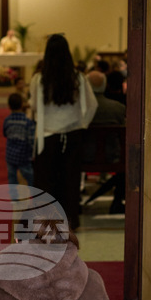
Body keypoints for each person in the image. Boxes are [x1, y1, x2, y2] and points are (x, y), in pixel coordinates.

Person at [30, 34, 97, 229]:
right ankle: (70, 221)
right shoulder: (79, 78)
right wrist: (82, 124)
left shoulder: (38, 79)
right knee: (70, 180)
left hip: (47, 136)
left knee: (46, 182)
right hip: (72, 135)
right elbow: (92, 105)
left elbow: (34, 106)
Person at [83, 71, 126, 214]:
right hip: (114, 156)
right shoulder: (118, 108)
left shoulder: (81, 109)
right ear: (105, 86)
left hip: (84, 156)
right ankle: (117, 201)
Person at [3, 92, 35, 187]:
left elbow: (5, 133)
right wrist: (32, 153)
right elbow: (31, 139)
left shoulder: (7, 120)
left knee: (12, 177)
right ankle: (34, 192)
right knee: (29, 176)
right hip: (23, 155)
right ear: (22, 105)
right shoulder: (27, 122)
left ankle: (13, 195)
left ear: (9, 106)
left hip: (10, 155)